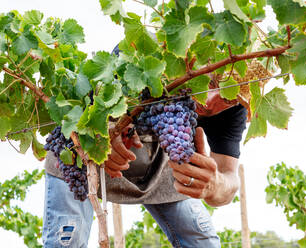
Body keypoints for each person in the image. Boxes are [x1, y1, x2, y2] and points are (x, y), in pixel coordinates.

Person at [42, 48, 248, 248]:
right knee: (67, 240)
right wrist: (102, 132)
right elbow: (96, 99)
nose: (210, 100)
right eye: (210, 83)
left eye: (227, 98)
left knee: (203, 241)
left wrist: (216, 184)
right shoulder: (146, 53)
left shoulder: (232, 112)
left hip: (159, 168)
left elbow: (230, 179)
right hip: (80, 157)